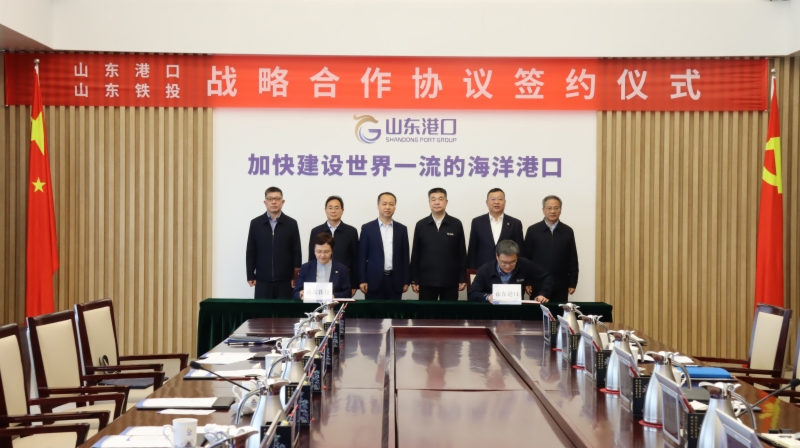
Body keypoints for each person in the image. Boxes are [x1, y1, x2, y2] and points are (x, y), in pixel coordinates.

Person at [410, 188, 467, 301]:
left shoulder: (456, 224)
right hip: (426, 281)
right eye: (433, 199)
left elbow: (462, 253)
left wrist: (462, 278)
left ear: (446, 202)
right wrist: (414, 279)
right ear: (429, 202)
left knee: (449, 312)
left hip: (450, 280)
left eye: (440, 199)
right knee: (426, 312)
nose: (437, 202)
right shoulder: (421, 225)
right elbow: (415, 254)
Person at [245, 186, 302, 299]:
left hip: (285, 280)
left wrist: (295, 277)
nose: (274, 202)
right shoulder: (256, 223)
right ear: (265, 202)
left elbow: (296, 251)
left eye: (277, 198)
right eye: (270, 199)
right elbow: (251, 251)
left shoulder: (291, 224)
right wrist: (250, 274)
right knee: (262, 309)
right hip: (262, 279)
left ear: (282, 202)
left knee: (285, 310)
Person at [523, 195, 579, 303]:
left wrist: (572, 282)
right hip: (537, 283)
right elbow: (526, 259)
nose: (552, 211)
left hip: (561, 283)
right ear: (543, 210)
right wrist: (527, 282)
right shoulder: (533, 230)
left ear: (560, 210)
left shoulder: (567, 231)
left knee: (558, 312)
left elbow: (572, 258)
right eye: (549, 208)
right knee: (537, 313)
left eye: (556, 208)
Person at [358, 192, 410, 300]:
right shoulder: (367, 228)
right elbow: (362, 256)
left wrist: (406, 280)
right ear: (378, 206)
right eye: (384, 204)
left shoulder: (402, 229)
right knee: (373, 311)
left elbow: (405, 257)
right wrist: (362, 280)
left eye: (391, 204)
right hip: (373, 280)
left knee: (394, 310)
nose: (387, 207)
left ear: (395, 206)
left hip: (395, 280)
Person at [468, 240, 552, 303]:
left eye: (512, 262)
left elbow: (546, 277)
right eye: (504, 262)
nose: (508, 266)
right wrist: (488, 297)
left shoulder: (525, 264)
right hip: (492, 311)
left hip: (517, 311)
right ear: (497, 256)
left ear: (517, 257)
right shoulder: (485, 269)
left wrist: (543, 294)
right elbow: (472, 294)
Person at [308, 196, 358, 297]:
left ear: (342, 210)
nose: (333, 211)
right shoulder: (316, 231)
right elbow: (312, 258)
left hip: (343, 279)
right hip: (320, 279)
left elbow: (355, 259)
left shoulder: (351, 231)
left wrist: (354, 283)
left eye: (336, 208)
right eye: (330, 208)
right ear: (325, 210)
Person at [466, 188, 525, 269]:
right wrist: (471, 270)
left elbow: (520, 251)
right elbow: (472, 250)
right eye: (493, 199)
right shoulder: (477, 222)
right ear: (487, 202)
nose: (496, 202)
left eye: (500, 199)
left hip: (508, 269)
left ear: (505, 202)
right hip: (483, 269)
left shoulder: (515, 223)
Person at [293, 233, 352, 299]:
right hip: (310, 304)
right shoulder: (305, 268)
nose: (322, 255)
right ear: (314, 251)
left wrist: (333, 296)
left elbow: (348, 293)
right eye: (319, 251)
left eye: (326, 251)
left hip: (333, 304)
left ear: (332, 251)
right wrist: (300, 295)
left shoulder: (342, 269)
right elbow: (296, 293)